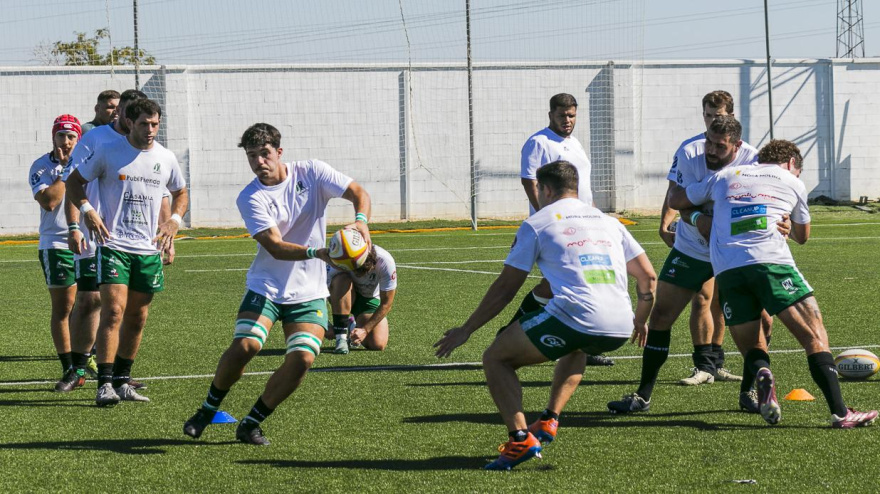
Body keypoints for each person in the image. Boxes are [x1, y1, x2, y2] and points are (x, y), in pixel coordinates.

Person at [435, 161, 656, 470]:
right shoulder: (610, 222)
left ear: (546, 189)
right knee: (577, 345)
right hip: (620, 324)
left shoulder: (538, 223)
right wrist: (640, 320)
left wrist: (467, 329)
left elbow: (506, 288)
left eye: (538, 189)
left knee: (496, 358)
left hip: (577, 316)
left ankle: (520, 439)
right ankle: (550, 419)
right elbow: (648, 278)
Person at [182, 123, 372, 446]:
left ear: (279, 152)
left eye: (265, 153)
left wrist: (362, 222)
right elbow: (274, 245)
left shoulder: (311, 172)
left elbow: (358, 193)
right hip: (267, 286)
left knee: (303, 358)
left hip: (309, 290)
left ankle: (252, 422)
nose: (259, 162)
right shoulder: (250, 197)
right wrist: (319, 253)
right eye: (251, 156)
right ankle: (207, 409)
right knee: (248, 345)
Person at [668, 138, 877, 428]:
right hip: (771, 264)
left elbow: (675, 200)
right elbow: (802, 236)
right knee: (814, 336)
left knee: (754, 343)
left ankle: (763, 372)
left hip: (727, 269)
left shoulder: (725, 175)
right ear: (792, 164)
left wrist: (697, 212)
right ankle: (841, 412)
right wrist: (788, 225)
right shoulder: (791, 181)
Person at [608, 114, 783, 415]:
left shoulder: (754, 160)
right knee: (662, 314)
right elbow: (676, 198)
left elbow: (771, 202)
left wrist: (782, 222)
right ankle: (643, 395)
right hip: (693, 247)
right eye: (709, 143)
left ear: (737, 145)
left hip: (737, 251)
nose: (711, 151)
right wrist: (696, 218)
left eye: (720, 146)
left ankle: (749, 393)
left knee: (761, 322)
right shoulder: (690, 153)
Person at [65, 98, 188, 406]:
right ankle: (103, 384)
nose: (150, 130)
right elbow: (75, 182)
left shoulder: (166, 157)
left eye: (155, 124)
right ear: (130, 123)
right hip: (114, 245)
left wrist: (174, 221)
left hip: (148, 249)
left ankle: (122, 381)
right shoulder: (108, 151)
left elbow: (180, 192)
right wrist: (88, 211)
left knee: (138, 317)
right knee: (114, 312)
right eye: (145, 123)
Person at [59, 89, 160, 393]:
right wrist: (75, 225)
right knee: (90, 300)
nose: (125, 116)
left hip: (132, 240)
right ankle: (77, 369)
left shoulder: (149, 146)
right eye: (122, 111)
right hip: (95, 234)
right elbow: (73, 180)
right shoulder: (96, 139)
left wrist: (168, 233)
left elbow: (166, 193)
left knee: (123, 309)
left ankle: (118, 375)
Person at [29, 115, 81, 391]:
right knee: (65, 308)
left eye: (72, 136)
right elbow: (50, 202)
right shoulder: (41, 166)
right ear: (53, 137)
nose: (66, 141)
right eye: (62, 135)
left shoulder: (88, 161)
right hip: (56, 244)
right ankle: (69, 368)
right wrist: (65, 171)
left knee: (94, 304)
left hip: (87, 243)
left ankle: (94, 363)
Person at [327, 245, 397, 354]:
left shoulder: (385, 262)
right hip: (340, 292)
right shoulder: (335, 262)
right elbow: (315, 296)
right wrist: (325, 325)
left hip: (368, 297)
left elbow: (386, 303)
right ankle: (341, 337)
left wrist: (365, 330)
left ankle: (352, 325)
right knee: (342, 279)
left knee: (377, 344)